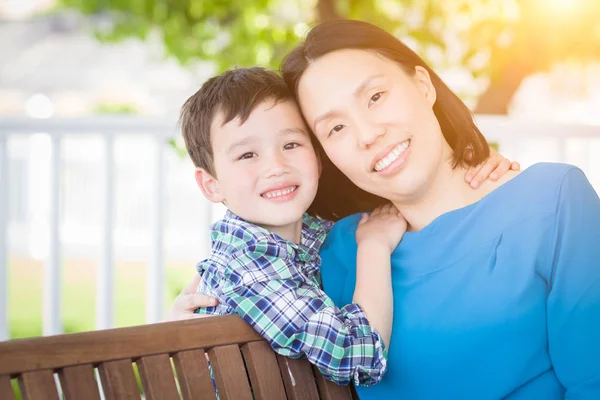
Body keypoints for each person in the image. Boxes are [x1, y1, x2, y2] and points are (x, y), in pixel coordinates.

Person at [175, 20, 600, 399]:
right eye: (335, 127)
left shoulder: (552, 200)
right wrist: (184, 329)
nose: (367, 134)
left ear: (423, 84)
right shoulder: (333, 250)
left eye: (375, 96)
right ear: (326, 155)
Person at [174, 65, 519, 387]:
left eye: (291, 144)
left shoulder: (310, 235)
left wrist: (480, 178)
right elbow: (359, 356)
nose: (276, 166)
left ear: (318, 157)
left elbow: (396, 214)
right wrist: (374, 247)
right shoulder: (247, 270)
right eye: (248, 155)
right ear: (211, 185)